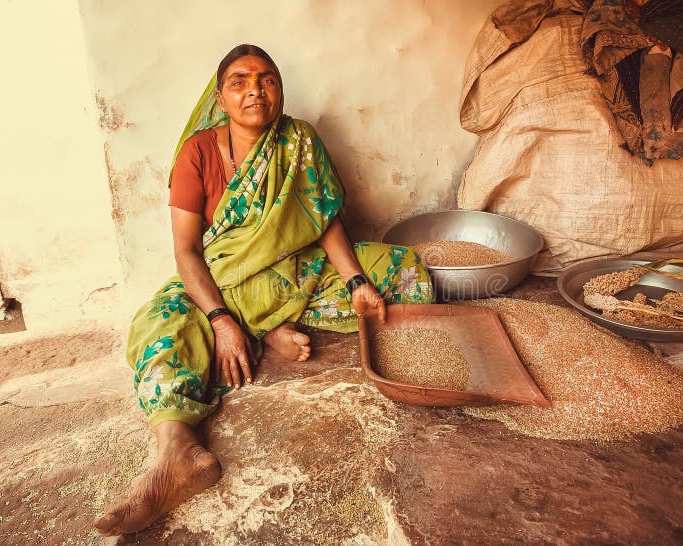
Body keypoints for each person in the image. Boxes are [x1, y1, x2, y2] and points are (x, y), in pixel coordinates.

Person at [94, 44, 433, 536]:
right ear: (220, 97)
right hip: (224, 280)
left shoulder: (298, 142)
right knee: (162, 325)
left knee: (403, 270)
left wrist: (356, 280)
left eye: (267, 79)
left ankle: (272, 321)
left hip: (296, 270)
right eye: (240, 81)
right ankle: (176, 452)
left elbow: (323, 220)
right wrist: (221, 320)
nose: (255, 89)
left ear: (278, 89)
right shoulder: (198, 152)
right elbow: (188, 252)